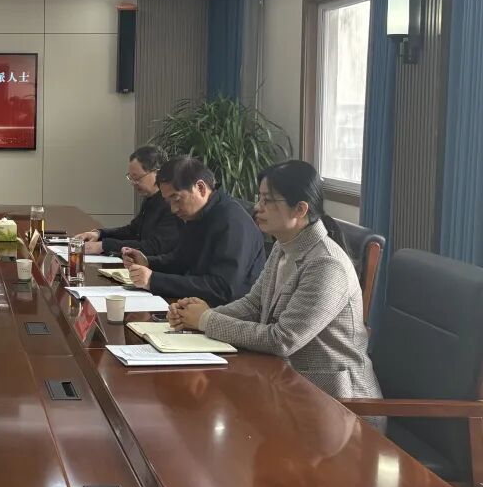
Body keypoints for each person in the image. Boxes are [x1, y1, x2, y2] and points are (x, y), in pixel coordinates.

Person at [168, 160, 381, 400]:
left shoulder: (327, 265)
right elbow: (253, 305)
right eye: (259, 198)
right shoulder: (283, 246)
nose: (257, 208)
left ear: (300, 209)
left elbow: (282, 340)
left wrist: (206, 320)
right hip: (286, 382)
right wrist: (196, 316)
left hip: (337, 401)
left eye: (267, 201)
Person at [124, 156, 265, 306]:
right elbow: (180, 260)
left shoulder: (233, 221)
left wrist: (153, 280)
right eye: (169, 202)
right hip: (198, 305)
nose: (173, 209)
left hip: (228, 313)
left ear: (200, 188)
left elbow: (222, 289)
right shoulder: (197, 214)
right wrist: (147, 262)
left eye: (176, 199)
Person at [76, 145, 181, 256]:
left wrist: (104, 246)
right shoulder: (150, 199)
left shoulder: (173, 203)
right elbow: (132, 231)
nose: (133, 183)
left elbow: (156, 246)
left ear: (157, 173)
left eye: (137, 178)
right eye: (131, 178)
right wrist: (99, 234)